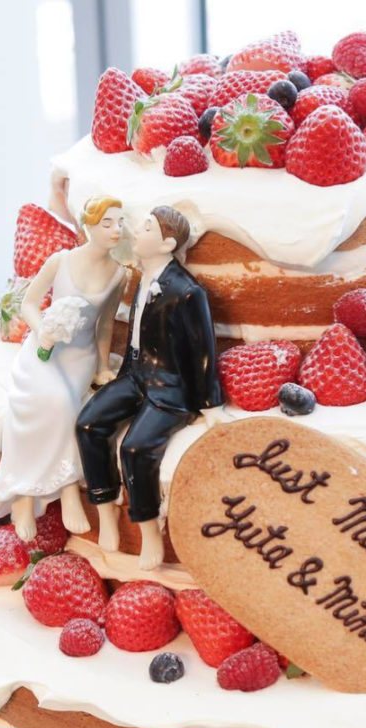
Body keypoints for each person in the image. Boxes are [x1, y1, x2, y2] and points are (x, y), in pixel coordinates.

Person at [76, 205, 224, 570]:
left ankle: (148, 530)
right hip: (135, 376)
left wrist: (209, 405)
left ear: (167, 244)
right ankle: (106, 511)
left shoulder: (187, 291)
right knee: (89, 424)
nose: (135, 232)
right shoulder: (141, 277)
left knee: (136, 448)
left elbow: (203, 350)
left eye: (145, 228)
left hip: (170, 387)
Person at [0, 197, 127, 540]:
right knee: (37, 402)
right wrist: (42, 329)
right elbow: (29, 303)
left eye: (120, 223)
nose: (116, 230)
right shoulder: (61, 261)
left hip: (80, 358)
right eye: (107, 223)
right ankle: (24, 496)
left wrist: (102, 367)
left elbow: (104, 326)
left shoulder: (119, 274)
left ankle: (66, 489)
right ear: (89, 226)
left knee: (66, 404)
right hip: (45, 350)